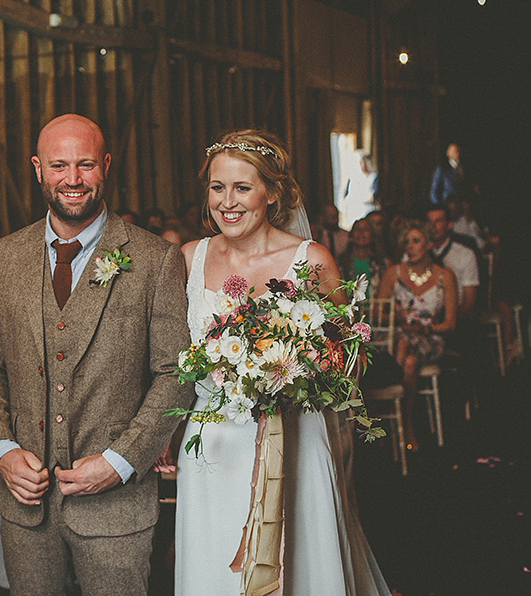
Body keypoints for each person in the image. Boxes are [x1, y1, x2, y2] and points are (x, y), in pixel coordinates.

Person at [0, 114, 192, 596]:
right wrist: (1, 451)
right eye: (59, 165)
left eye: (85, 164)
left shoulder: (157, 260)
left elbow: (177, 373)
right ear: (37, 169)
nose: (72, 179)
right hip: (24, 505)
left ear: (106, 165)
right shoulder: (6, 255)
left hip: (117, 507)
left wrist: (122, 460)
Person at [174, 130, 389, 595]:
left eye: (242, 188)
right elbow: (170, 359)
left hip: (296, 441)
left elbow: (347, 362)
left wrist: (299, 368)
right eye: (217, 188)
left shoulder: (310, 260)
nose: (227, 202)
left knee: (302, 570)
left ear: (271, 193)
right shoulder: (190, 259)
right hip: (211, 447)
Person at [377, 221, 457, 451]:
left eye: (416, 241)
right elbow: (379, 315)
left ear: (429, 244)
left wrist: (424, 329)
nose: (409, 247)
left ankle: (387, 417)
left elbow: (450, 324)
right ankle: (407, 425)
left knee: (405, 344)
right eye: (406, 242)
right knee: (409, 361)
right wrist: (396, 316)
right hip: (399, 335)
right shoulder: (393, 273)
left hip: (431, 337)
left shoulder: (445, 276)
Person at [337, 217, 392, 299]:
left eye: (366, 229)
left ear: (372, 235)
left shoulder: (383, 263)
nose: (361, 233)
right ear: (351, 235)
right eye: (357, 229)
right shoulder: (340, 263)